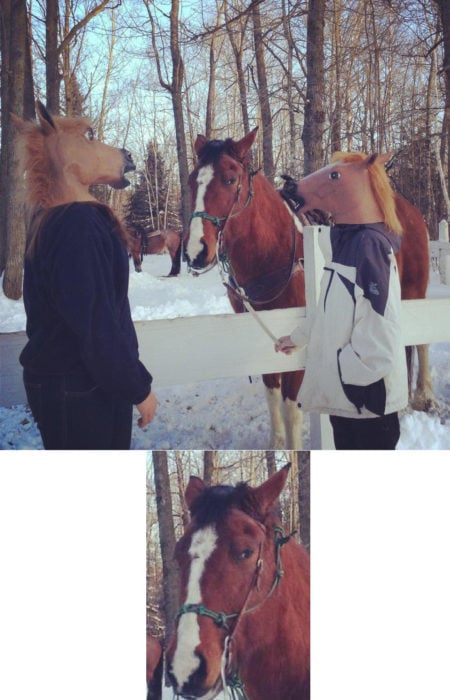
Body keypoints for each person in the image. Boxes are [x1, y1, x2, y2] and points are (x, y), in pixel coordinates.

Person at [20, 202, 157, 449]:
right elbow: (96, 325)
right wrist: (138, 388)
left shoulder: (68, 216)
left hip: (94, 382)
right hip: (81, 387)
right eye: (120, 158)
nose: (123, 161)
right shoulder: (75, 220)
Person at [276, 220, 408, 450]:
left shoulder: (369, 245)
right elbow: (329, 311)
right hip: (345, 402)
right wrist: (299, 338)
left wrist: (347, 375)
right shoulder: (340, 244)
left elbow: (380, 333)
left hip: (366, 406)